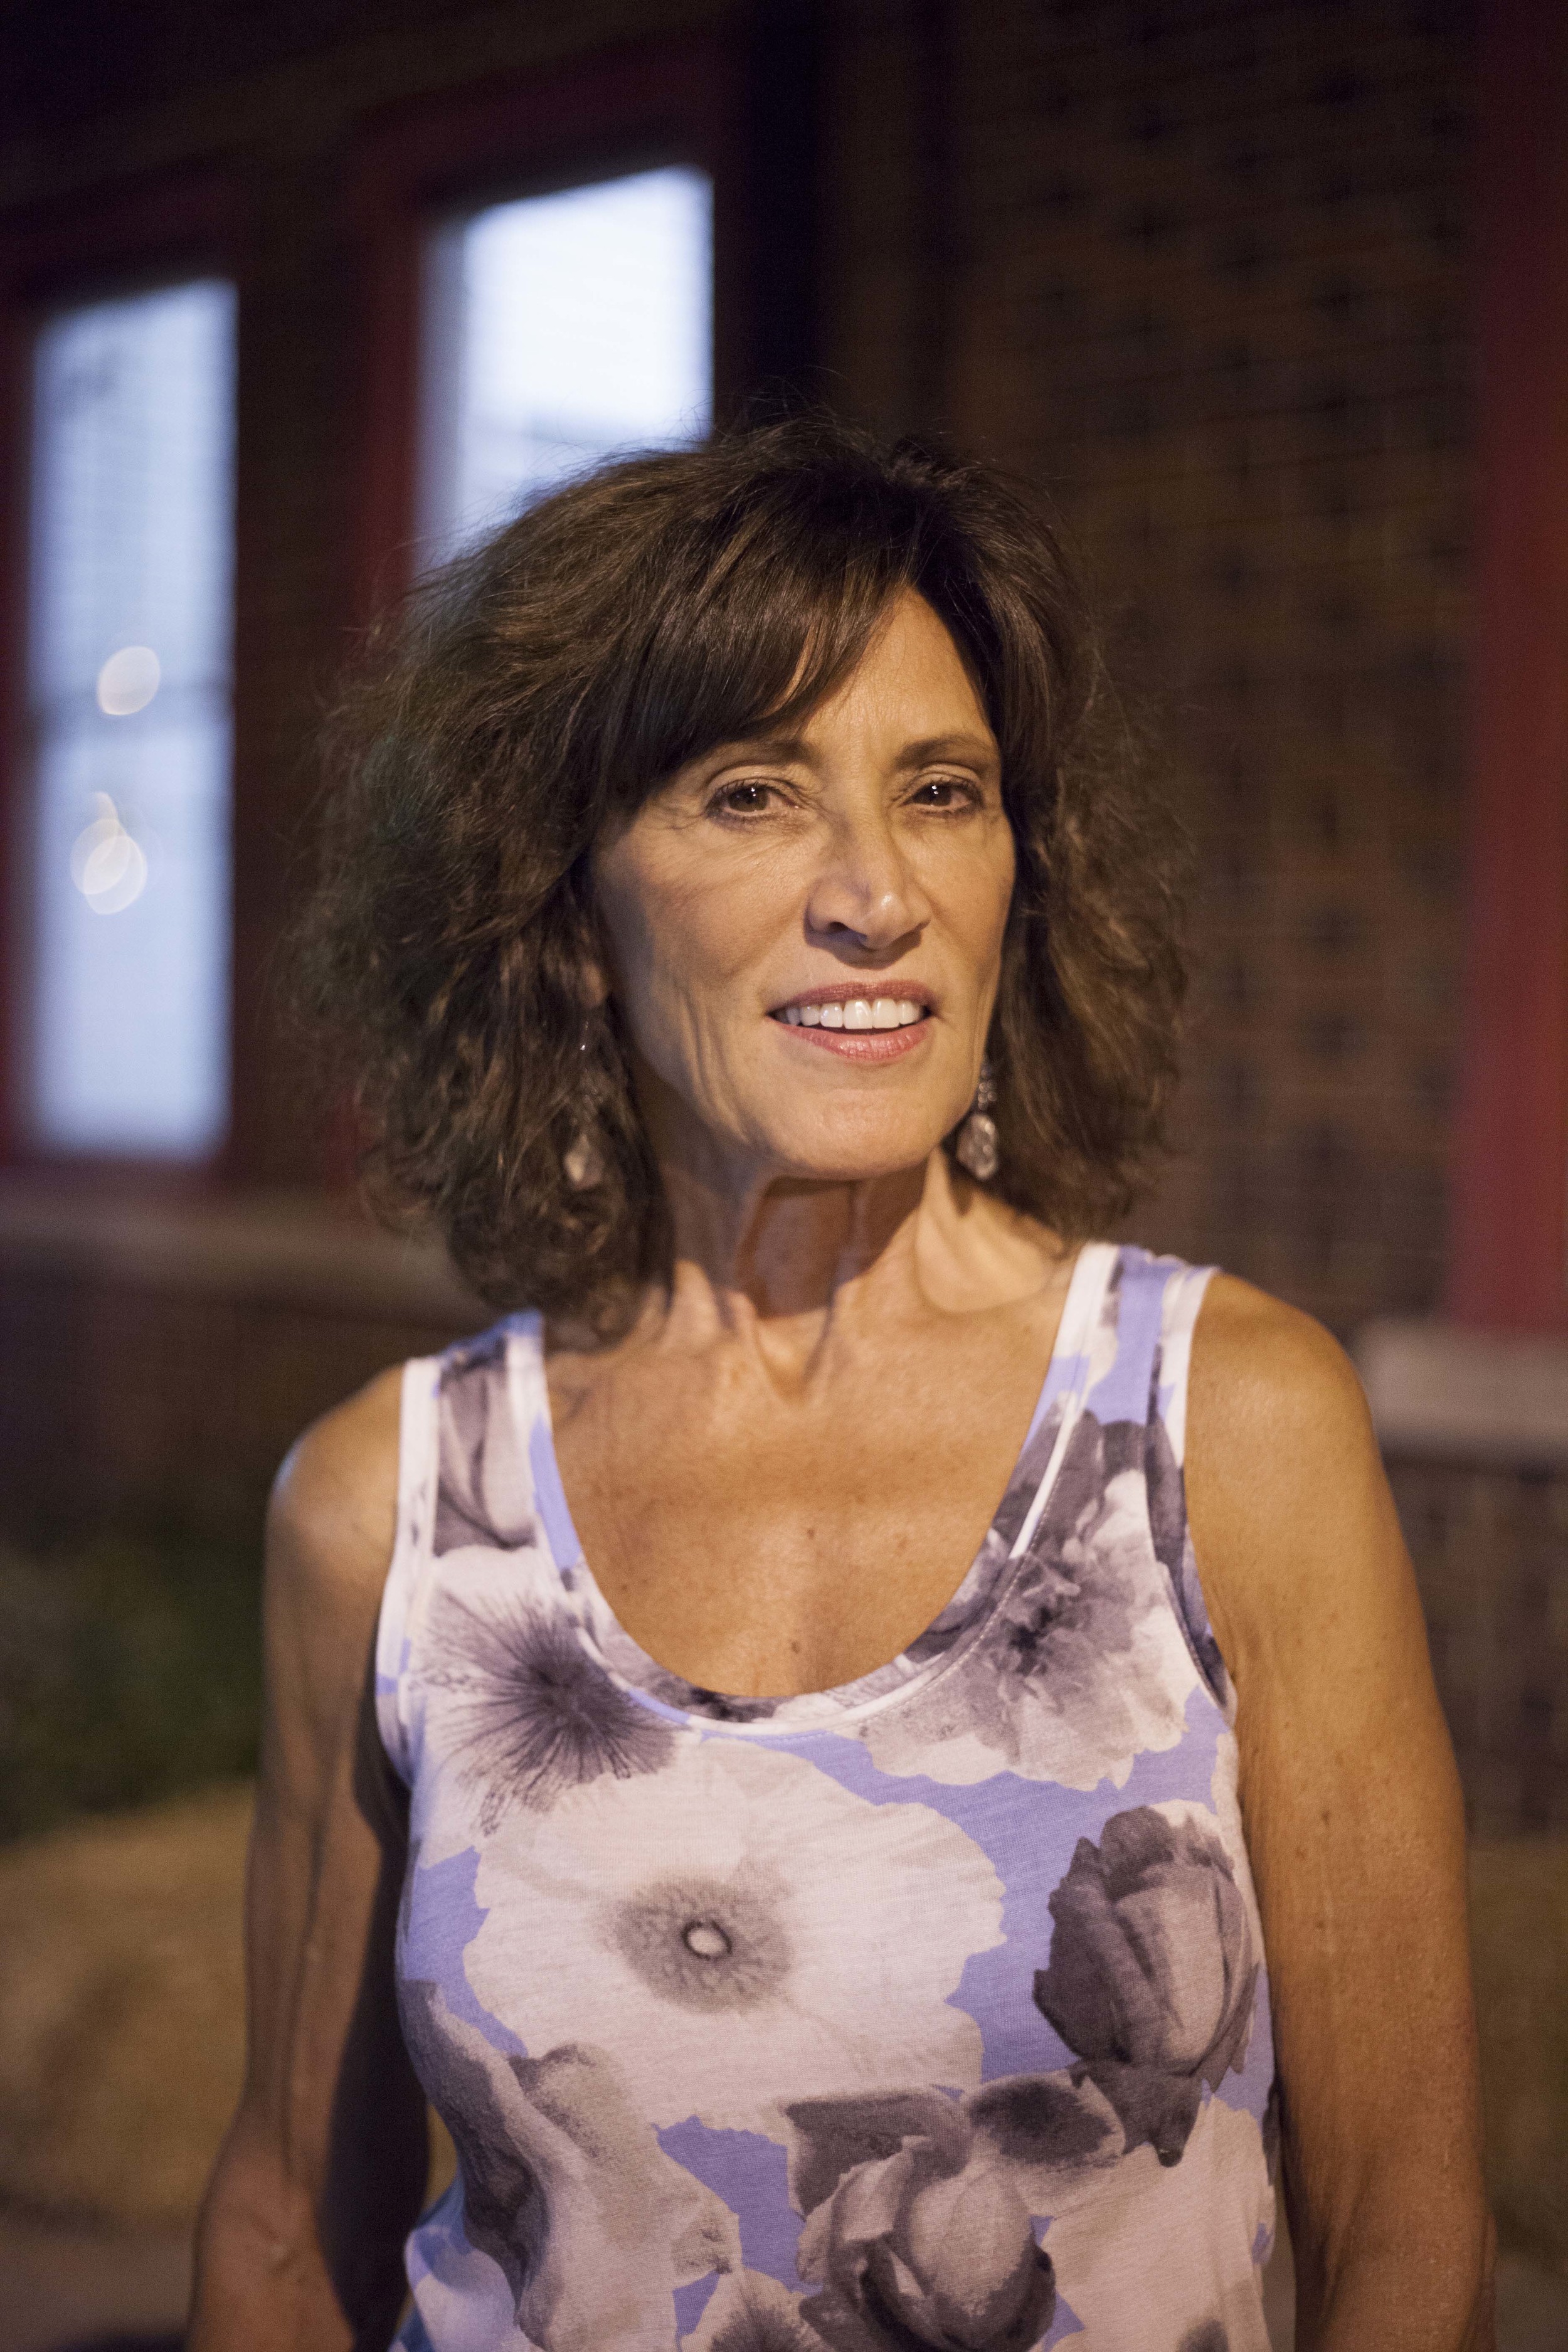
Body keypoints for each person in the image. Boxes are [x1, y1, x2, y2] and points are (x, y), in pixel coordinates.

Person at [188, 418, 1493, 2352]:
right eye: (751, 795)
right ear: (566, 906)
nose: (875, 892)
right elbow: (286, 2237)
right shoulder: (387, 1505)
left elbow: (1404, 2228)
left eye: (940, 791)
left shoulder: (1227, 1424)